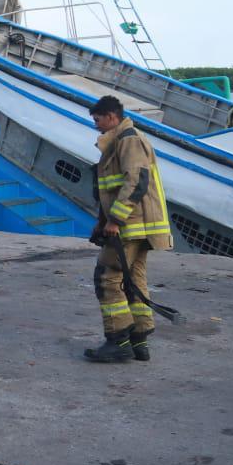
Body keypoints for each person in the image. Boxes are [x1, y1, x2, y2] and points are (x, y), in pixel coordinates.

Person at [85, 94, 172, 362]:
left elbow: (136, 181)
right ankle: (139, 340)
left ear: (112, 117)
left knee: (107, 278)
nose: (96, 126)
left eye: (98, 120)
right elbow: (111, 189)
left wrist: (115, 220)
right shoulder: (121, 142)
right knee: (133, 280)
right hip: (136, 227)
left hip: (131, 227)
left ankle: (117, 339)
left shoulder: (128, 140)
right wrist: (102, 223)